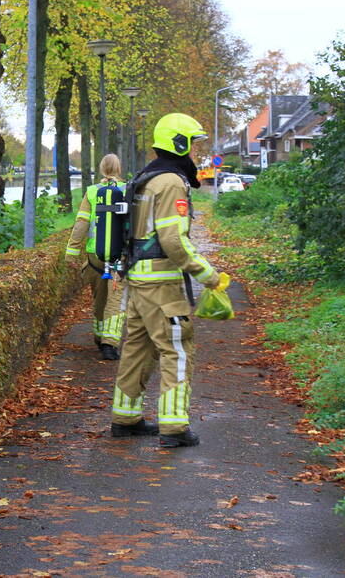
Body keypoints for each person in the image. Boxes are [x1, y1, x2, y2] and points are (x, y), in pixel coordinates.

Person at [110, 113, 229, 447]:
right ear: (178, 143)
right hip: (162, 284)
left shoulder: (147, 178)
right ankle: (174, 428)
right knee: (177, 349)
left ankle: (125, 418)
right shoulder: (172, 182)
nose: (193, 150)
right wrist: (209, 276)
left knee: (136, 348)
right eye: (191, 143)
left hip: (138, 280)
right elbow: (174, 241)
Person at [65, 154, 127, 361]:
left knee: (99, 298)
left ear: (101, 169)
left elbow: (81, 223)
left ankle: (100, 338)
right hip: (120, 256)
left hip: (95, 256)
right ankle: (110, 344)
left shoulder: (92, 192)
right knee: (115, 299)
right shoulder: (128, 190)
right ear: (119, 169)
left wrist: (71, 251)